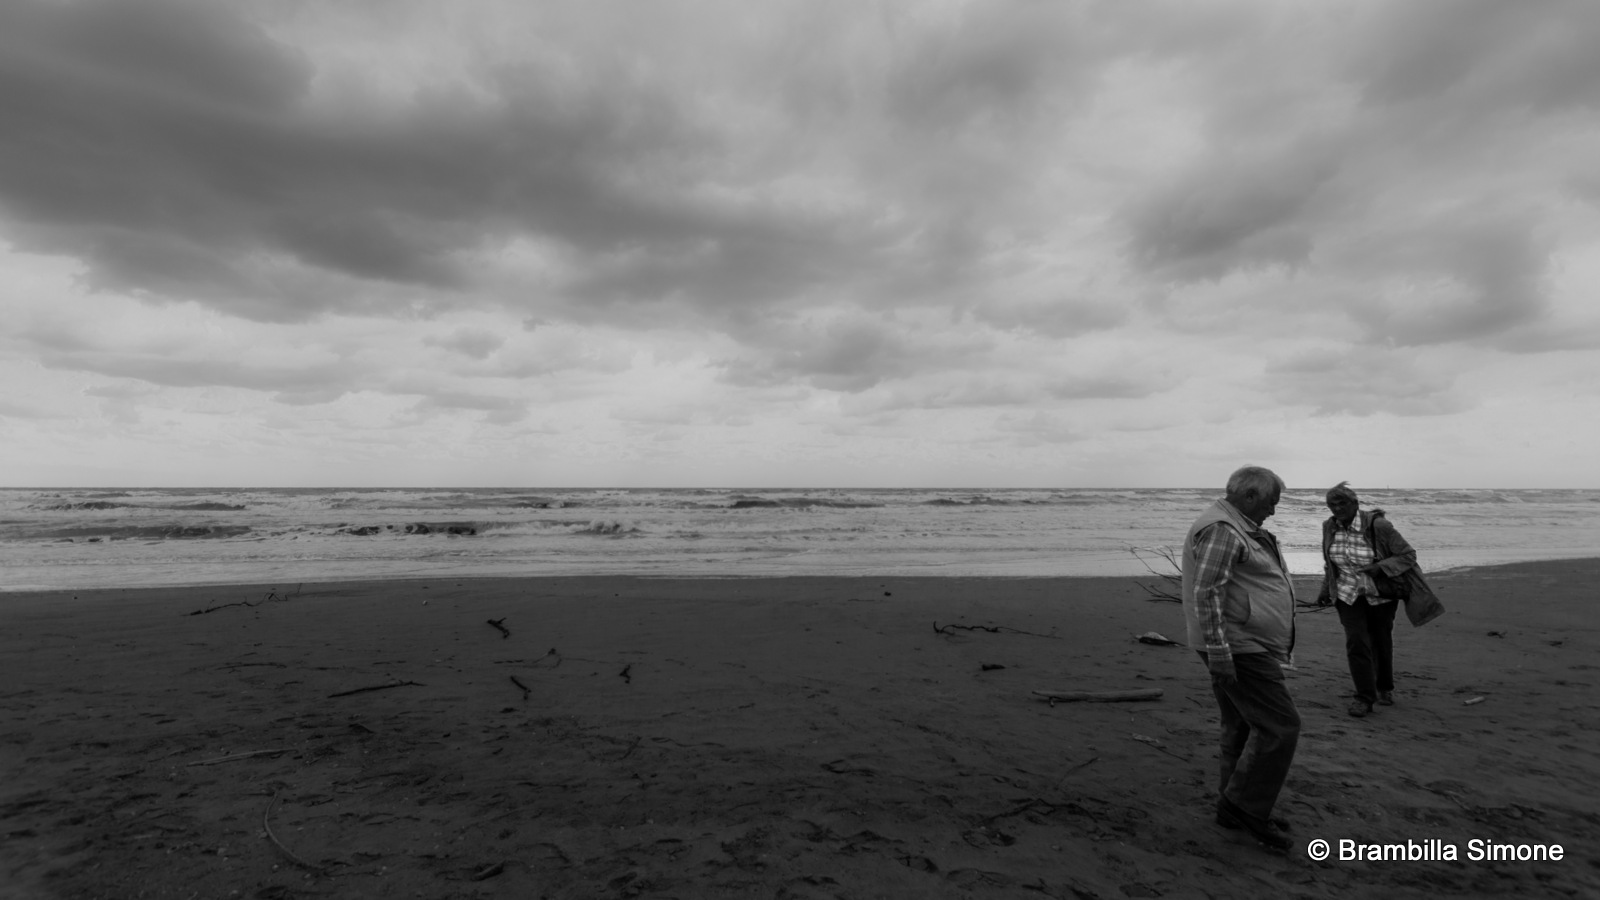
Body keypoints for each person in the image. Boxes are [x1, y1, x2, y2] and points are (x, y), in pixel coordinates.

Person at [1181, 466, 1298, 853]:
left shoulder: (1237, 526)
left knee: (1241, 724)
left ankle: (1232, 806)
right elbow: (1208, 593)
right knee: (1280, 726)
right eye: (1270, 503)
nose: (1273, 511)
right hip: (1236, 644)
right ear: (1249, 497)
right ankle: (1244, 806)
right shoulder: (1223, 530)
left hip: (1239, 642)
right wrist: (1220, 652)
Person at [1316, 482, 1443, 718]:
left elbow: (1407, 555)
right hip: (1347, 594)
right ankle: (1364, 697)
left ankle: (1384, 686)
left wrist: (1380, 567)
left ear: (1355, 503)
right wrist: (1325, 589)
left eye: (1342, 503)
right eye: (1332, 505)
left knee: (1380, 640)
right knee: (1356, 641)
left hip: (1380, 595)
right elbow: (1330, 562)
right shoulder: (1329, 527)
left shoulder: (1378, 525)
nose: (1337, 508)